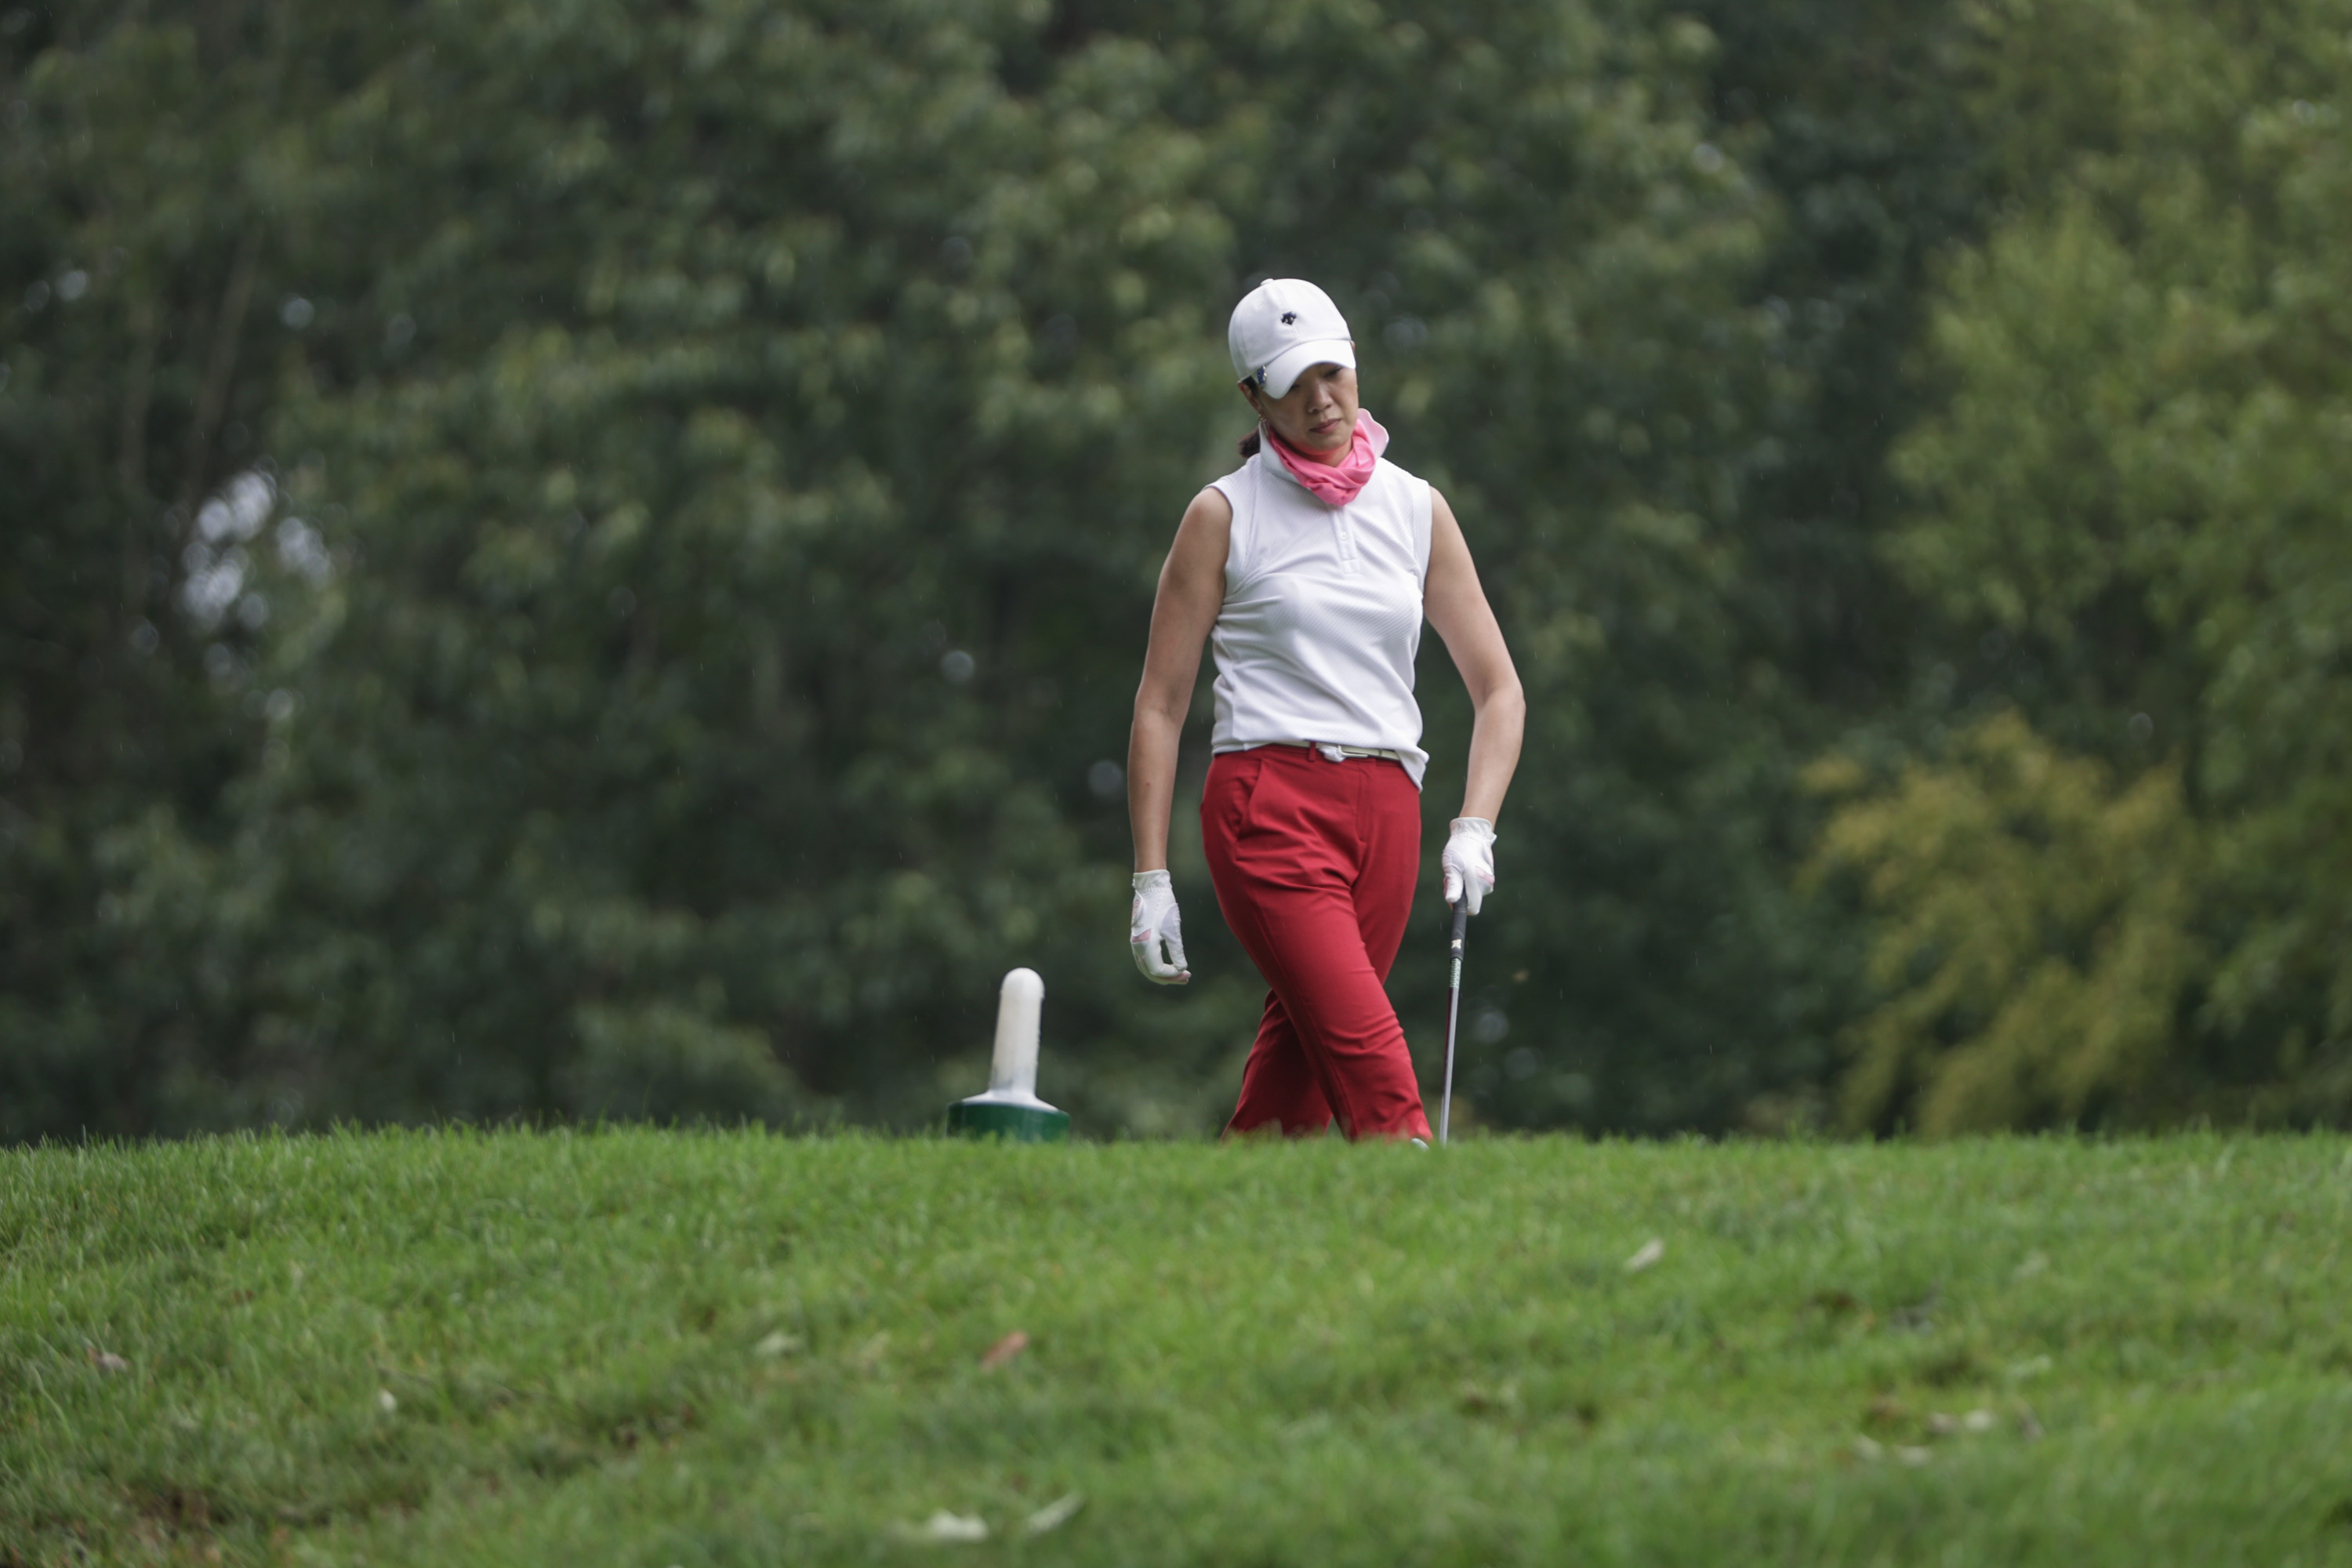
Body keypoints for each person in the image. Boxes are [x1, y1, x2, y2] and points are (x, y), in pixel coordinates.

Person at [1125, 278, 1525, 1142]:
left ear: (1354, 363)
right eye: (1292, 384)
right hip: (1267, 805)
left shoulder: (1416, 507)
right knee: (1370, 1056)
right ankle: (1421, 1185)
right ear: (1253, 397)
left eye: (1331, 373)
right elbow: (1160, 704)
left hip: (1389, 813)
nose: (1320, 401)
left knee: (1298, 1081)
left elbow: (1499, 689)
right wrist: (1151, 879)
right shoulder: (1223, 514)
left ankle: (1222, 1212)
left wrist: (1476, 825)